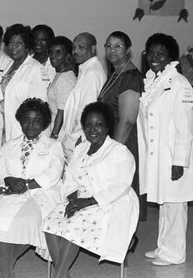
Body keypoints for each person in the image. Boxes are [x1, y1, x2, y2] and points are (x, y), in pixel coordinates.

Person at [137, 33, 193, 266]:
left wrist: (179, 161)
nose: (154, 58)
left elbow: (184, 128)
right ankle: (164, 247)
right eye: (151, 53)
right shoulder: (153, 80)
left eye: (161, 54)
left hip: (174, 157)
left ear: (171, 57)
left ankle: (175, 254)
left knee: (176, 205)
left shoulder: (179, 84)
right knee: (165, 203)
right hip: (159, 155)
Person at [44, 102, 139, 278]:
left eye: (98, 125)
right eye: (88, 125)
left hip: (108, 203)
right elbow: (70, 178)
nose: (92, 130)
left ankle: (58, 276)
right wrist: (73, 200)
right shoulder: (80, 149)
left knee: (71, 228)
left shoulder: (119, 152)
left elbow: (120, 186)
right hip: (79, 199)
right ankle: (63, 274)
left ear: (107, 127)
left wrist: (86, 202)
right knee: (50, 223)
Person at [0, 98, 64, 278]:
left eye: (36, 120)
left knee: (31, 221)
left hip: (43, 193)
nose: (31, 124)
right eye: (26, 120)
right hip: (14, 192)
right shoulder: (9, 146)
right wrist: (8, 179)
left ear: (45, 123)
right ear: (20, 121)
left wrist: (24, 184)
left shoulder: (54, 145)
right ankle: (7, 271)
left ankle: (7, 264)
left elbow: (53, 174)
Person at [97, 31, 146, 220]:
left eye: (118, 46)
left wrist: (113, 149)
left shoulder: (130, 77)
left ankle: (127, 233)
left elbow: (127, 119)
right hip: (110, 136)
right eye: (108, 46)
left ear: (128, 50)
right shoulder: (116, 73)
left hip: (122, 139)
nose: (112, 50)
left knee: (121, 186)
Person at [60, 32, 106, 161]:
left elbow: (87, 110)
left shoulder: (92, 73)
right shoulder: (86, 69)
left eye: (81, 47)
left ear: (92, 49)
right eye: (74, 47)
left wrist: (79, 139)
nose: (76, 51)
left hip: (80, 139)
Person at [1, 24, 51, 143]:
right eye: (11, 43)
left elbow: (41, 107)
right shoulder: (9, 66)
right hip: (6, 129)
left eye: (19, 43)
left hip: (28, 133)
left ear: (27, 46)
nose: (14, 47)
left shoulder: (36, 69)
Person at [46, 36, 77, 139]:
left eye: (58, 52)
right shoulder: (60, 75)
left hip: (60, 135)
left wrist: (54, 135)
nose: (53, 56)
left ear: (68, 56)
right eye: (51, 52)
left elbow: (62, 111)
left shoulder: (64, 79)